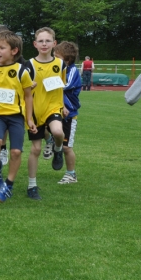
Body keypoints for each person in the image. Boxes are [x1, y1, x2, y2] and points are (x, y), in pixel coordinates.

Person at [0, 31, 36, 203]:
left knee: (16, 151)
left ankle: (8, 185)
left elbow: (28, 96)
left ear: (14, 51)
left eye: (2, 48)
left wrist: (30, 119)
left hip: (16, 117)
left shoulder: (22, 71)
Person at [25, 27, 67, 200]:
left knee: (58, 132)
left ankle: (58, 149)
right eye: (40, 41)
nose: (44, 44)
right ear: (35, 44)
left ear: (54, 44)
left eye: (47, 41)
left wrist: (63, 105)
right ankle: (32, 186)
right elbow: (24, 91)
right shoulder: (29, 65)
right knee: (35, 149)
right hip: (34, 110)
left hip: (53, 107)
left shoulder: (60, 64)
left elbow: (60, 86)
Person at [54, 41, 81, 185]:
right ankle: (51, 142)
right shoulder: (56, 69)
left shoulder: (72, 71)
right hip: (56, 110)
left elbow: (64, 85)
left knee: (66, 147)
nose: (54, 58)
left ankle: (71, 174)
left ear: (67, 60)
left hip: (69, 114)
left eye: (57, 57)